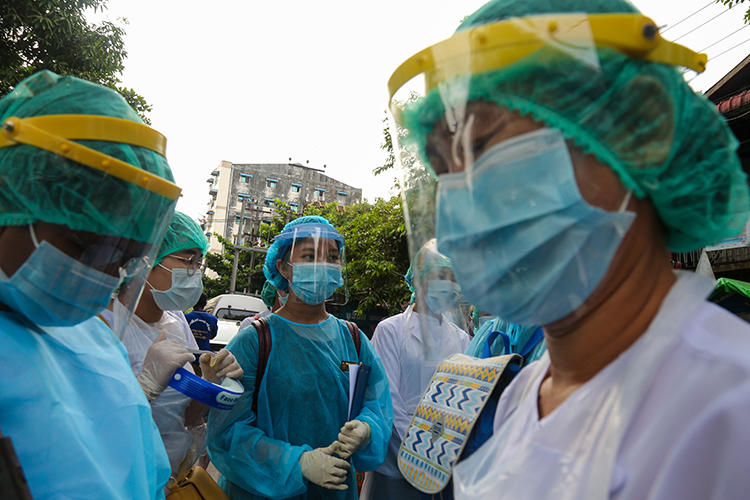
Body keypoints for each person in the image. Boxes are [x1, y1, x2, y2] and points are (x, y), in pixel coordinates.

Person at [387, 1, 750, 498]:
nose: (456, 225)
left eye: (484, 146)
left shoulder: (729, 404)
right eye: (445, 172)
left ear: (638, 134)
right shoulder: (519, 397)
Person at [0, 70, 180, 498]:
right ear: (9, 199)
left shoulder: (98, 345)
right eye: (85, 245)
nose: (102, 273)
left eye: (124, 259)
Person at [207, 215, 393, 499]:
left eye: (331, 257)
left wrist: (368, 427)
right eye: (309, 256)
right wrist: (296, 462)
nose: (322, 265)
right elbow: (226, 434)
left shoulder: (353, 339)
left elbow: (376, 403)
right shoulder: (255, 341)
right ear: (283, 267)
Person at [102, 211, 243, 476]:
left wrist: (210, 383)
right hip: (122, 477)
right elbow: (96, 431)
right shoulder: (105, 325)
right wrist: (146, 387)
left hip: (169, 476)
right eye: (188, 260)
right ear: (146, 259)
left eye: (199, 263)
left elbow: (188, 418)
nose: (195, 273)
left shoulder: (176, 320)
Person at [363, 239, 469, 500]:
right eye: (443, 276)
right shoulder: (391, 330)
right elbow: (388, 401)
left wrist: (442, 452)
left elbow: (463, 405)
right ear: (420, 278)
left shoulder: (462, 339)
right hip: (395, 465)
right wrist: (419, 451)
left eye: (455, 278)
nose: (450, 285)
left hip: (444, 462)